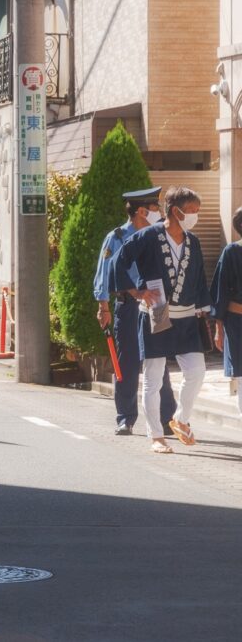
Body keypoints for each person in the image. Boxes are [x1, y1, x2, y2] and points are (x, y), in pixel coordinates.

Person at [114, 186, 212, 454]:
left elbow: (200, 277)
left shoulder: (193, 241)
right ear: (174, 211)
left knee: (197, 371)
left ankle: (180, 419)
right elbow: (119, 261)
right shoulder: (147, 236)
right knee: (153, 377)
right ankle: (156, 435)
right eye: (191, 211)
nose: (195, 216)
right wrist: (137, 290)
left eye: (196, 211)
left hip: (187, 315)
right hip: (156, 312)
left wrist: (205, 310)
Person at [94, 187, 176, 435]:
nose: (159, 212)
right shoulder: (117, 237)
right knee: (128, 362)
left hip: (156, 305)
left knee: (158, 359)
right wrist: (103, 306)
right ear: (141, 211)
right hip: (128, 307)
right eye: (155, 208)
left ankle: (167, 418)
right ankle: (126, 417)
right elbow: (104, 271)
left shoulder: (160, 235)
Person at [210, 207, 242, 414]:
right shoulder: (231, 252)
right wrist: (218, 328)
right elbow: (219, 293)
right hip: (237, 322)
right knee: (241, 377)